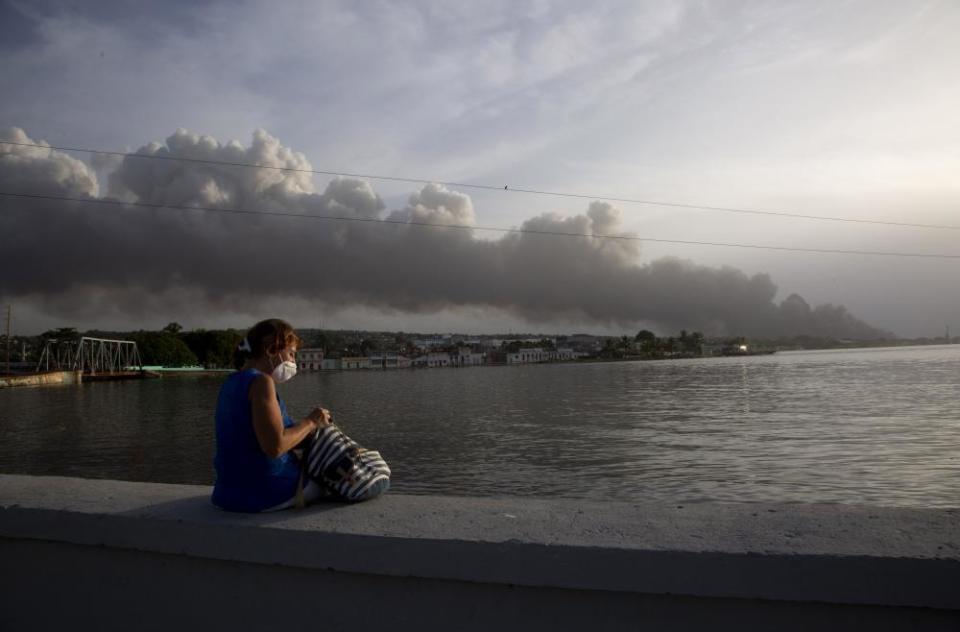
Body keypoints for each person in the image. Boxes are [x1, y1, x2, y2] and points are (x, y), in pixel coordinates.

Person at [211, 318, 390, 512]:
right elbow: (275, 446)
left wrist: (308, 430)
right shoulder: (262, 382)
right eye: (291, 354)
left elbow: (255, 437)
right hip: (264, 492)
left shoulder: (231, 382)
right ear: (272, 347)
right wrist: (312, 421)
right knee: (356, 480)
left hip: (227, 493)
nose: (293, 362)